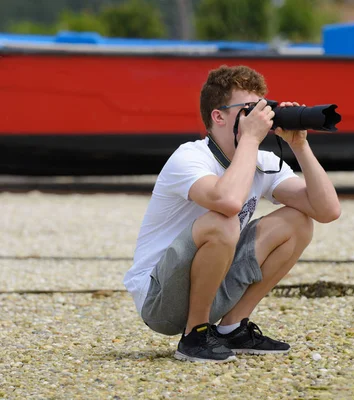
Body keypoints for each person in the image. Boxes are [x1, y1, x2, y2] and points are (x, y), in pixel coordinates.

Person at [123, 64, 341, 363]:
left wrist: (300, 146)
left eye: (263, 108)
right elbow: (227, 201)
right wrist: (250, 139)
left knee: (298, 221)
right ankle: (195, 335)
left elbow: (327, 210)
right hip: (160, 299)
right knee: (223, 221)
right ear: (219, 115)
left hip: (213, 285)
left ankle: (232, 328)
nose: (259, 117)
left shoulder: (262, 161)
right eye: (249, 109)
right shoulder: (189, 157)